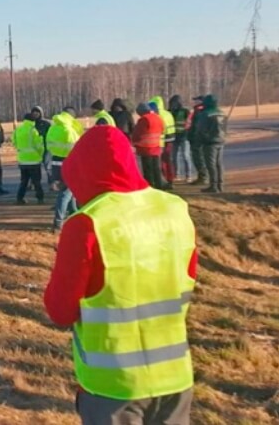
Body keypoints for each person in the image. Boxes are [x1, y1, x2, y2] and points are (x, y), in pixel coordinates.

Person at [44, 125, 198, 425]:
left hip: (113, 386)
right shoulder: (175, 209)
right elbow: (187, 277)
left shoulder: (87, 223)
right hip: (176, 375)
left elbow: (60, 311)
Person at [46, 108, 84, 232]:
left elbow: (48, 146)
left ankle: (74, 215)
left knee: (70, 191)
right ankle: (58, 222)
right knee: (66, 193)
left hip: (56, 162)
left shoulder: (53, 128)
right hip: (69, 162)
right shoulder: (69, 130)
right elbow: (78, 148)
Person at [195, 94, 228, 193]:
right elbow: (225, 128)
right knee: (219, 164)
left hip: (209, 142)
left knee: (211, 164)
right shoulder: (222, 113)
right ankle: (220, 185)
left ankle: (213, 186)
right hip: (221, 140)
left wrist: (200, 141)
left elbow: (200, 129)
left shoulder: (205, 114)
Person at [13, 112, 46, 205]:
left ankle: (19, 198)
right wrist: (41, 154)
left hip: (22, 161)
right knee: (36, 181)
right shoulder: (33, 131)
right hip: (34, 160)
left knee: (24, 181)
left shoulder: (18, 130)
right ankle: (40, 199)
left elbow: (14, 142)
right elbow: (39, 146)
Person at [132, 102, 166, 189]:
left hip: (145, 147)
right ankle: (159, 185)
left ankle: (150, 186)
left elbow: (138, 133)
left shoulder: (144, 119)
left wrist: (134, 142)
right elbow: (162, 129)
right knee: (156, 168)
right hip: (156, 146)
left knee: (148, 169)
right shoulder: (158, 118)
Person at [150, 96, 176, 188]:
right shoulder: (168, 113)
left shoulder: (157, 115)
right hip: (171, 139)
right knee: (168, 161)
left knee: (161, 162)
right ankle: (170, 179)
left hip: (161, 141)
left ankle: (164, 180)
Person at [168, 95, 193, 183]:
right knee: (174, 157)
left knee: (186, 156)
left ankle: (188, 175)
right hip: (174, 137)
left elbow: (189, 123)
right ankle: (177, 174)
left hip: (184, 136)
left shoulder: (185, 111)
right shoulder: (170, 112)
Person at [187, 98, 208, 186]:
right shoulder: (197, 111)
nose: (194, 102)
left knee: (199, 158)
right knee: (198, 158)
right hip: (196, 137)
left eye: (196, 101)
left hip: (197, 138)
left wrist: (193, 135)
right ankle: (201, 176)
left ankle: (203, 177)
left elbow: (197, 126)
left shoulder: (200, 111)